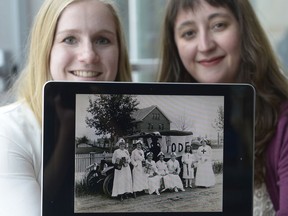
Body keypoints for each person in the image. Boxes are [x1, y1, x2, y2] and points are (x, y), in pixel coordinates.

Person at [0, 0, 131, 215]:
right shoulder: (7, 132)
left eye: (102, 39)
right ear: (46, 49)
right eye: (69, 39)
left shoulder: (117, 127)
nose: (88, 55)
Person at [157, 0, 288, 215]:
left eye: (218, 25)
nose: (205, 45)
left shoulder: (284, 122)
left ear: (244, 28)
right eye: (189, 33)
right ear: (174, 45)